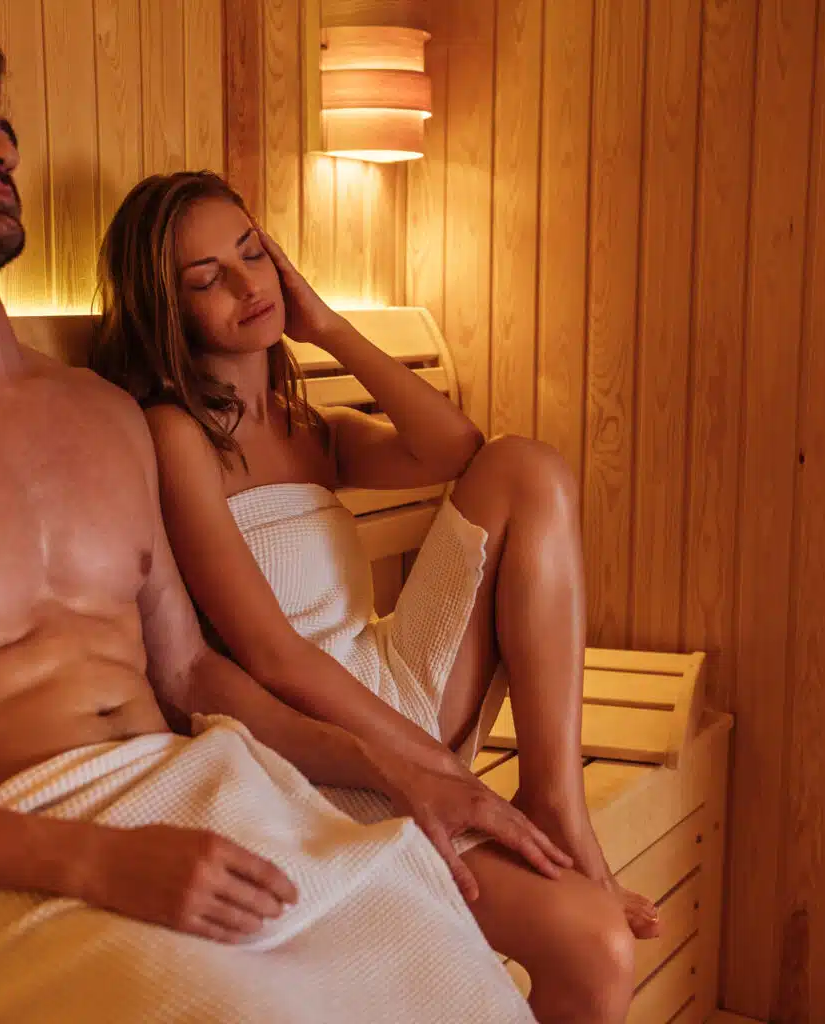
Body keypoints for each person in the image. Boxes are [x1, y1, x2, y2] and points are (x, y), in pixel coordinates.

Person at [0, 32, 550, 1024]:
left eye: (2, 132)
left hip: (211, 788)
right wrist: (97, 860)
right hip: (7, 850)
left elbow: (189, 675)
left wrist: (397, 771)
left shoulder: (98, 413)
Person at [90, 170, 659, 1024]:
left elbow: (456, 447)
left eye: (254, 253)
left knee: (527, 466)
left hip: (396, 680)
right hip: (318, 747)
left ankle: (555, 795)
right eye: (208, 278)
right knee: (593, 945)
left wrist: (327, 327)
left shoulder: (307, 424)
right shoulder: (178, 437)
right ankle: (514, 808)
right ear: (166, 312)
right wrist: (429, 771)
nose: (249, 285)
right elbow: (273, 656)